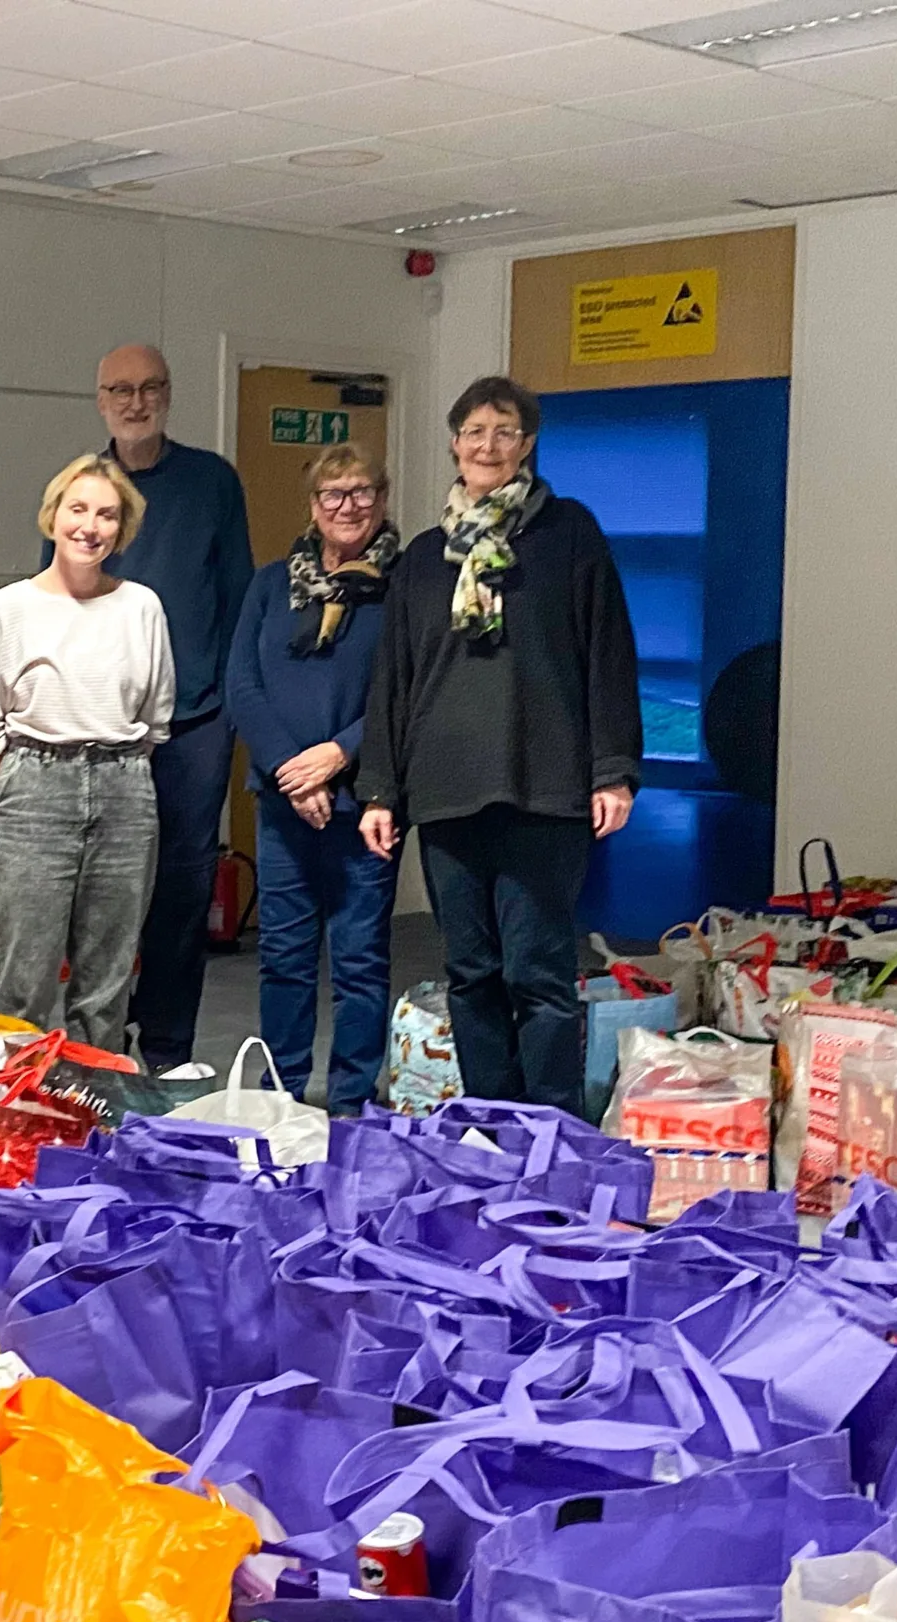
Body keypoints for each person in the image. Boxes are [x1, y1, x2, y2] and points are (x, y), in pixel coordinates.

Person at [357, 375, 642, 1117]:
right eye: (475, 431)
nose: (488, 445)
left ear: (528, 445)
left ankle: (548, 1125)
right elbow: (394, 678)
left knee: (539, 975)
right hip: (446, 788)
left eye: (505, 432)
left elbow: (608, 654)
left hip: (544, 786)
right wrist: (381, 790)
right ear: (454, 443)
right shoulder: (422, 558)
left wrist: (614, 770)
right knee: (471, 973)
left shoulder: (569, 534)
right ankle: (489, 1122)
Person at [52, 342, 253, 1070]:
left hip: (194, 723)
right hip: (99, 731)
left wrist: (228, 711)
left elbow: (238, 602)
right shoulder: (84, 489)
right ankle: (94, 1045)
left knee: (179, 894)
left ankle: (167, 1050)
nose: (136, 402)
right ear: (100, 399)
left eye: (150, 388)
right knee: (99, 892)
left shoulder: (211, 483)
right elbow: (52, 596)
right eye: (120, 390)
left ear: (169, 394)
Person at [0, 455, 175, 1051]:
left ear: (122, 528)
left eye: (106, 514)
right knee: (22, 978)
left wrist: (112, 772)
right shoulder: (11, 608)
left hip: (126, 790)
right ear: (53, 516)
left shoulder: (142, 607)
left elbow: (157, 716)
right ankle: (10, 1121)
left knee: (106, 982)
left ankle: (93, 1122)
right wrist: (33, 777)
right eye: (77, 508)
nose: (90, 525)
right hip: (34, 786)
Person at [224, 443, 401, 1115]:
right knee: (285, 960)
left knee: (360, 961)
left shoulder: (402, 586)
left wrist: (338, 755)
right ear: (312, 506)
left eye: (361, 492)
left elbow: (403, 691)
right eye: (333, 494)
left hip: (366, 804)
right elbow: (243, 683)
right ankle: (282, 1096)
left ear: (382, 500)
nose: (347, 506)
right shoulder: (272, 584)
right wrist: (294, 774)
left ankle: (353, 1098)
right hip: (281, 803)